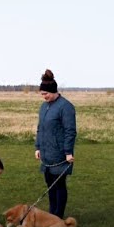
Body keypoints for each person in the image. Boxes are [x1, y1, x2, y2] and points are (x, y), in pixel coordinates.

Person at [34, 69, 77, 219]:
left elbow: (70, 131)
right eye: (42, 94)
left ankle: (58, 216)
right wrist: (37, 147)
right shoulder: (43, 106)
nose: (43, 97)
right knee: (49, 184)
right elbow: (40, 128)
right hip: (46, 153)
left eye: (45, 94)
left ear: (53, 91)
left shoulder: (66, 107)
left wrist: (68, 152)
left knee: (59, 185)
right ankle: (52, 213)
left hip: (60, 154)